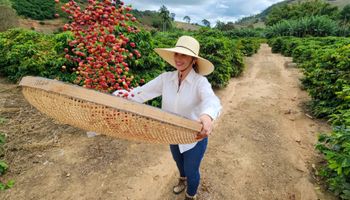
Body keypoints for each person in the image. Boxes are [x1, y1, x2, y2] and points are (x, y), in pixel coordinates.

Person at [114, 35, 222, 200]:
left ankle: (190, 195)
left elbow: (211, 100)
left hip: (194, 138)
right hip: (172, 133)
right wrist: (124, 97)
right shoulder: (166, 78)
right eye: (177, 54)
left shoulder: (200, 82)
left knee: (192, 170)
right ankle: (182, 179)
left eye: (184, 55)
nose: (178, 59)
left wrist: (207, 117)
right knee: (179, 163)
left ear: (193, 60)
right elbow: (143, 92)